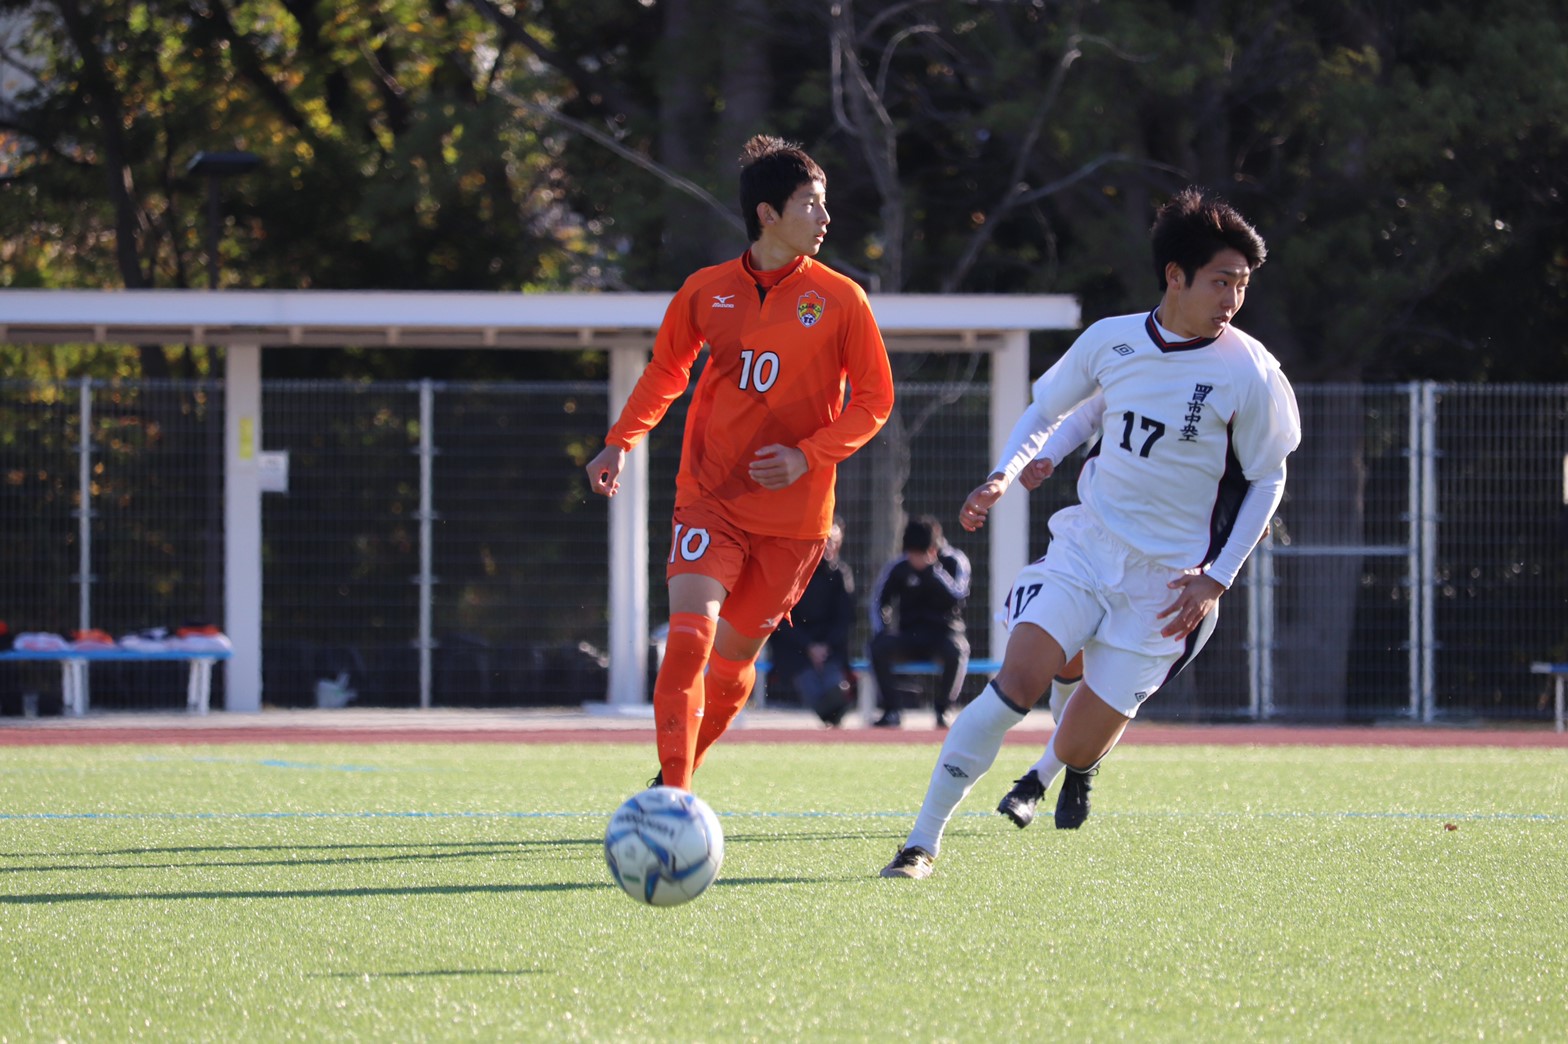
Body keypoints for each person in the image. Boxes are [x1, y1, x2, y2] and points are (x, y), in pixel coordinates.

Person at [881, 186, 1300, 878]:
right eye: (1221, 281)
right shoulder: (1112, 339)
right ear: (1175, 275)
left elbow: (1267, 479)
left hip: (1166, 587)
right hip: (1086, 548)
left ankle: (1074, 766)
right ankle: (920, 843)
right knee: (1014, 683)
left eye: (1242, 284)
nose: (1233, 299)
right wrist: (1005, 473)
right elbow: (1050, 408)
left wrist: (1217, 578)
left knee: (1076, 744)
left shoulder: (1249, 372)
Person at [586, 135, 895, 792]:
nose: (825, 217)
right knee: (688, 640)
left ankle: (677, 772)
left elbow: (875, 401)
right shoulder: (706, 291)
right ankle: (673, 798)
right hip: (711, 498)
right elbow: (667, 372)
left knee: (731, 666)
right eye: (811, 203)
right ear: (767, 214)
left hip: (795, 523)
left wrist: (807, 456)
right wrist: (620, 440)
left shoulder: (842, 300)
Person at [866, 516, 972, 728]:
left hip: (944, 634)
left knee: (957, 650)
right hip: (910, 636)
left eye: (918, 554)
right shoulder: (899, 567)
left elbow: (958, 596)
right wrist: (883, 628)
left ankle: (943, 710)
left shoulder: (954, 561)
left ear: (932, 550)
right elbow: (879, 601)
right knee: (878, 647)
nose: (913, 559)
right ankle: (892, 710)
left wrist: (934, 573)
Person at [765, 516, 858, 726]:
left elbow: (845, 619)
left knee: (835, 686)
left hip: (829, 647)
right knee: (811, 686)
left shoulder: (841, 574)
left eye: (834, 542)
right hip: (797, 648)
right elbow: (781, 618)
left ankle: (835, 714)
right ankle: (830, 715)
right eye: (825, 541)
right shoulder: (795, 572)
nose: (829, 547)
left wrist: (824, 646)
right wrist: (808, 646)